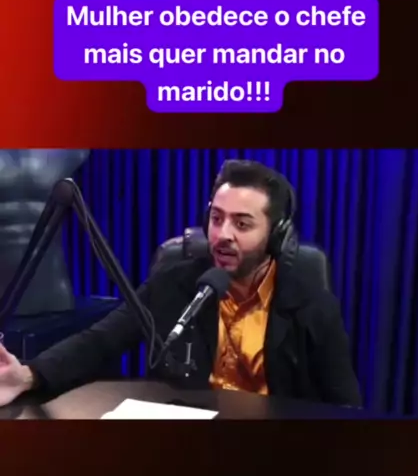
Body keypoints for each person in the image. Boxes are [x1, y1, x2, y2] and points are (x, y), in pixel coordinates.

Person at [0, 160, 362, 408]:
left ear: (277, 236)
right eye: (216, 218)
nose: (223, 234)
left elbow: (344, 405)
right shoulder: (174, 284)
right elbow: (100, 341)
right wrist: (29, 375)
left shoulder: (312, 305)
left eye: (242, 224)